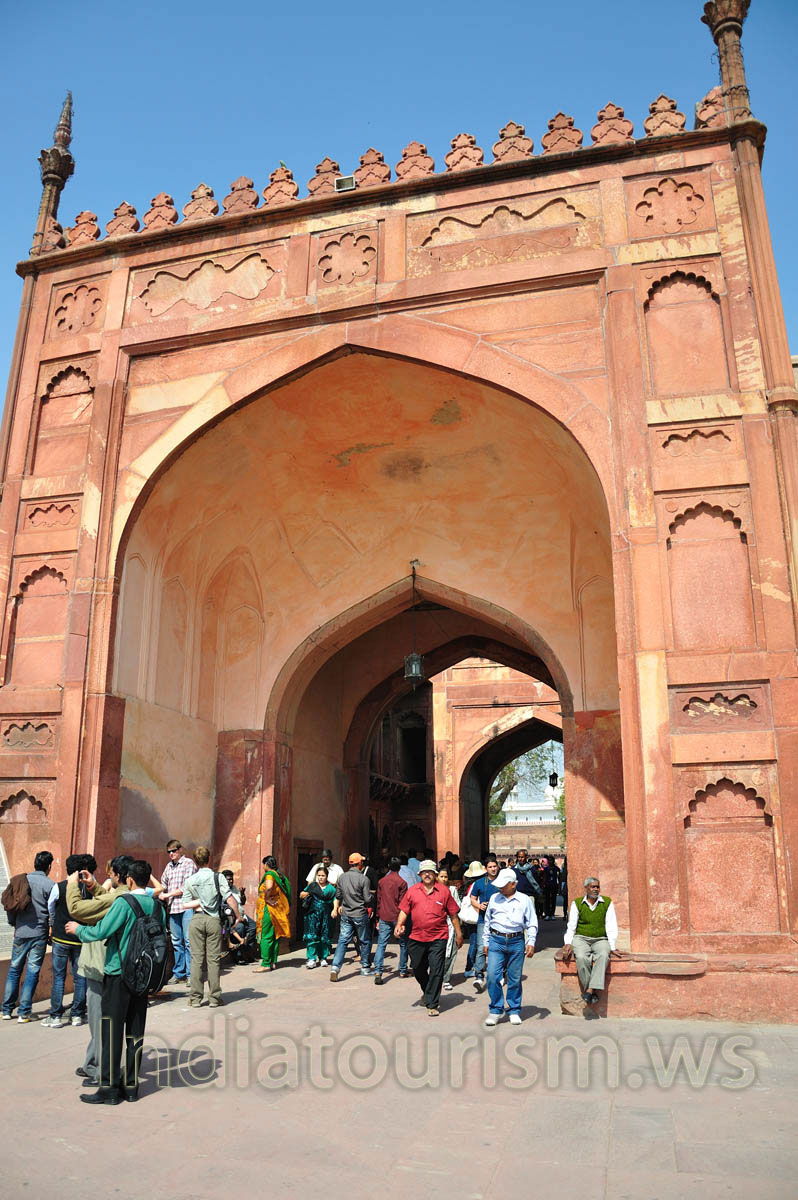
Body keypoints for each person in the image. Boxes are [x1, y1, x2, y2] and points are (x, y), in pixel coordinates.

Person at [66, 859, 165, 1104]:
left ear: (129, 880)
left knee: (111, 1031)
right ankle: (131, 1087)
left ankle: (109, 1089)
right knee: (135, 1034)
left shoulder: (124, 902)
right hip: (143, 976)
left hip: (118, 973)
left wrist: (78, 930)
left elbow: (101, 931)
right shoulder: (157, 906)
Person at [66, 855, 133, 1087]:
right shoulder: (126, 896)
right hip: (107, 964)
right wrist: (94, 886)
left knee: (99, 1021)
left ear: (118, 875)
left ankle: (101, 1072)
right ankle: (92, 1063)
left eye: (110, 873)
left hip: (100, 965)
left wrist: (72, 885)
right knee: (100, 1020)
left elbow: (76, 908)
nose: (108, 876)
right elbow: (107, 900)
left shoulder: (118, 898)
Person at [395, 859, 462, 1017]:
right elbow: (404, 910)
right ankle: (428, 991)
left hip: (438, 937)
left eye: (430, 872)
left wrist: (459, 934)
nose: (427, 875)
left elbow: (453, 914)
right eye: (424, 872)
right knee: (417, 968)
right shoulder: (413, 891)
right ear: (419, 874)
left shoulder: (444, 891)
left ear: (435, 875)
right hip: (416, 937)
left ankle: (432, 1003)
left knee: (436, 970)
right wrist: (399, 924)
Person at [181, 846, 240, 1007]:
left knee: (196, 959)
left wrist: (200, 902)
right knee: (213, 960)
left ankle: (195, 998)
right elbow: (229, 898)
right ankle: (214, 998)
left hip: (196, 919)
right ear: (209, 859)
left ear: (196, 861)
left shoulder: (190, 880)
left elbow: (185, 904)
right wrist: (238, 915)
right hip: (213, 920)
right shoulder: (218, 877)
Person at [42, 853, 95, 1028]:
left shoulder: (59, 887)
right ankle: (77, 1015)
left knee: (59, 977)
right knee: (80, 977)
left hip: (60, 937)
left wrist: (53, 923)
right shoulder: (88, 888)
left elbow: (50, 907)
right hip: (79, 937)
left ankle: (55, 1016)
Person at [1, 850, 54, 1023]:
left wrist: (14, 924)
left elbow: (11, 906)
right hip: (39, 934)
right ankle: (24, 1012)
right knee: (32, 971)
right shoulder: (50, 885)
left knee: (14, 970)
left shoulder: (20, 880)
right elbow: (52, 911)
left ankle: (6, 1010)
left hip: (21, 932)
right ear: (49, 866)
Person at [482, 867, 537, 1026]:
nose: (500, 887)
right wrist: (486, 941)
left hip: (516, 941)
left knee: (514, 978)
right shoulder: (494, 898)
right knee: (492, 976)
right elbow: (487, 921)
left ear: (513, 884)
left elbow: (531, 922)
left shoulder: (524, 900)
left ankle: (514, 1010)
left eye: (503, 885)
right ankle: (496, 1009)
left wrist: (531, 942)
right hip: (496, 940)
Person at [561, 876, 619, 1005]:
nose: (596, 889)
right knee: (581, 957)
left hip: (600, 939)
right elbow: (571, 926)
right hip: (581, 938)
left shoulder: (607, 902)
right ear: (586, 888)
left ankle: (589, 990)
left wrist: (612, 946)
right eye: (593, 887)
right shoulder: (577, 903)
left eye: (597, 887)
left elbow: (611, 925)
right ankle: (591, 990)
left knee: (603, 954)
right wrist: (568, 943)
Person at [330, 852, 373, 980]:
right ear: (360, 864)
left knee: (343, 941)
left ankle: (335, 967)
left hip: (346, 914)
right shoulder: (364, 879)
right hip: (359, 913)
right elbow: (367, 899)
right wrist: (372, 896)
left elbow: (338, 895)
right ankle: (365, 967)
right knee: (364, 940)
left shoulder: (342, 877)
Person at [160, 839, 196, 984]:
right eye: (169, 852)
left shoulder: (188, 863)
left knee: (188, 941)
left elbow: (187, 886)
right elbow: (163, 883)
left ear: (180, 849)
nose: (171, 854)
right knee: (176, 942)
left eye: (174, 850)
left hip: (186, 907)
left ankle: (191, 974)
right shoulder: (169, 866)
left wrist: (168, 894)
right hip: (173, 908)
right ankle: (179, 973)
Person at [373, 856, 408, 984]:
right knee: (403, 944)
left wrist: (377, 917)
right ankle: (402, 970)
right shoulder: (402, 883)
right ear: (399, 868)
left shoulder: (382, 881)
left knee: (381, 944)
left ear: (388, 866)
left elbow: (379, 900)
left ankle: (378, 971)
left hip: (384, 915)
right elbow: (403, 903)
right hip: (398, 917)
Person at [470, 855, 501, 994]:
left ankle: (500, 973)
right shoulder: (479, 883)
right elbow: (472, 898)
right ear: (485, 868)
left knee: (499, 947)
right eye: (490, 867)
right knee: (481, 947)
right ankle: (479, 975)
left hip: (500, 920)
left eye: (495, 866)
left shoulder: (503, 881)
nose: (493, 869)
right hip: (483, 919)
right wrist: (479, 905)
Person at [254, 856, 291, 972]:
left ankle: (265, 963)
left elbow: (269, 887)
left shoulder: (270, 875)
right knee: (275, 936)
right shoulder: (279, 876)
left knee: (266, 936)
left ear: (266, 864)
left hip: (269, 909)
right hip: (277, 910)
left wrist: (266, 898)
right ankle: (272, 962)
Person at [300, 865, 336, 967]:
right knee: (312, 936)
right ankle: (311, 958)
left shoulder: (331, 889)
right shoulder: (313, 886)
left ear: (326, 876)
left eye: (323, 875)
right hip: (312, 915)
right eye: (319, 875)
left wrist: (335, 909)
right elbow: (302, 894)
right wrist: (306, 893)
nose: (320, 877)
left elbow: (335, 899)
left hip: (326, 916)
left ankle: (323, 958)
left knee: (324, 936)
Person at [460, 860, 486, 976]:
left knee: (474, 942)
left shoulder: (468, 885)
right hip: (476, 917)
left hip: (471, 919)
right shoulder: (477, 884)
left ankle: (472, 966)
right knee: (475, 943)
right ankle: (469, 967)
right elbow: (474, 902)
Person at [439, 868, 461, 992]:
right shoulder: (433, 890)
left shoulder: (452, 890)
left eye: (445, 877)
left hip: (451, 925)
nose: (443, 879)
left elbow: (457, 907)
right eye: (441, 876)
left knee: (451, 952)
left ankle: (446, 978)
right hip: (437, 926)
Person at [541, 856, 560, 920]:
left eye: (551, 860)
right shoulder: (546, 869)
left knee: (553, 900)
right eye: (549, 860)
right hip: (547, 885)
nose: (550, 861)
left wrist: (559, 887)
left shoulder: (556, 868)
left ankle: (552, 914)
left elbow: (559, 878)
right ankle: (547, 914)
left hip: (554, 885)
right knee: (547, 900)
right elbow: (544, 877)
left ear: (553, 861)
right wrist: (543, 885)